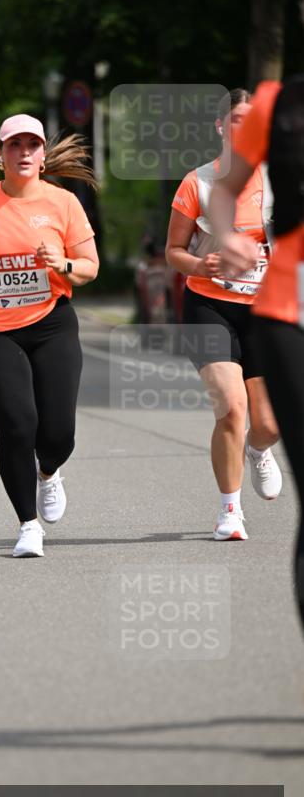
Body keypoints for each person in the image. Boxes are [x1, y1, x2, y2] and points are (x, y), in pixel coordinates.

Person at [0, 114, 99, 558]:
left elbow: (89, 267)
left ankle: (49, 472)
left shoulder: (63, 203)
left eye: (32, 145)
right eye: (14, 145)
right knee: (17, 426)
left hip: (52, 323)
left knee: (59, 435)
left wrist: (62, 264)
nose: (23, 152)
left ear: (43, 155)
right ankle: (28, 524)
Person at [165, 88, 281, 542]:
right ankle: (229, 511)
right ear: (220, 126)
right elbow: (174, 250)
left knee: (269, 424)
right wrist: (200, 264)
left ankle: (258, 450)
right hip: (209, 306)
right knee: (231, 408)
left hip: (265, 309)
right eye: (236, 119)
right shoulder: (199, 182)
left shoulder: (279, 182)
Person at [210, 76, 303, 624]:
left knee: (264, 427)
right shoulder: (275, 103)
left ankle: (257, 448)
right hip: (288, 310)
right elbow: (222, 191)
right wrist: (224, 235)